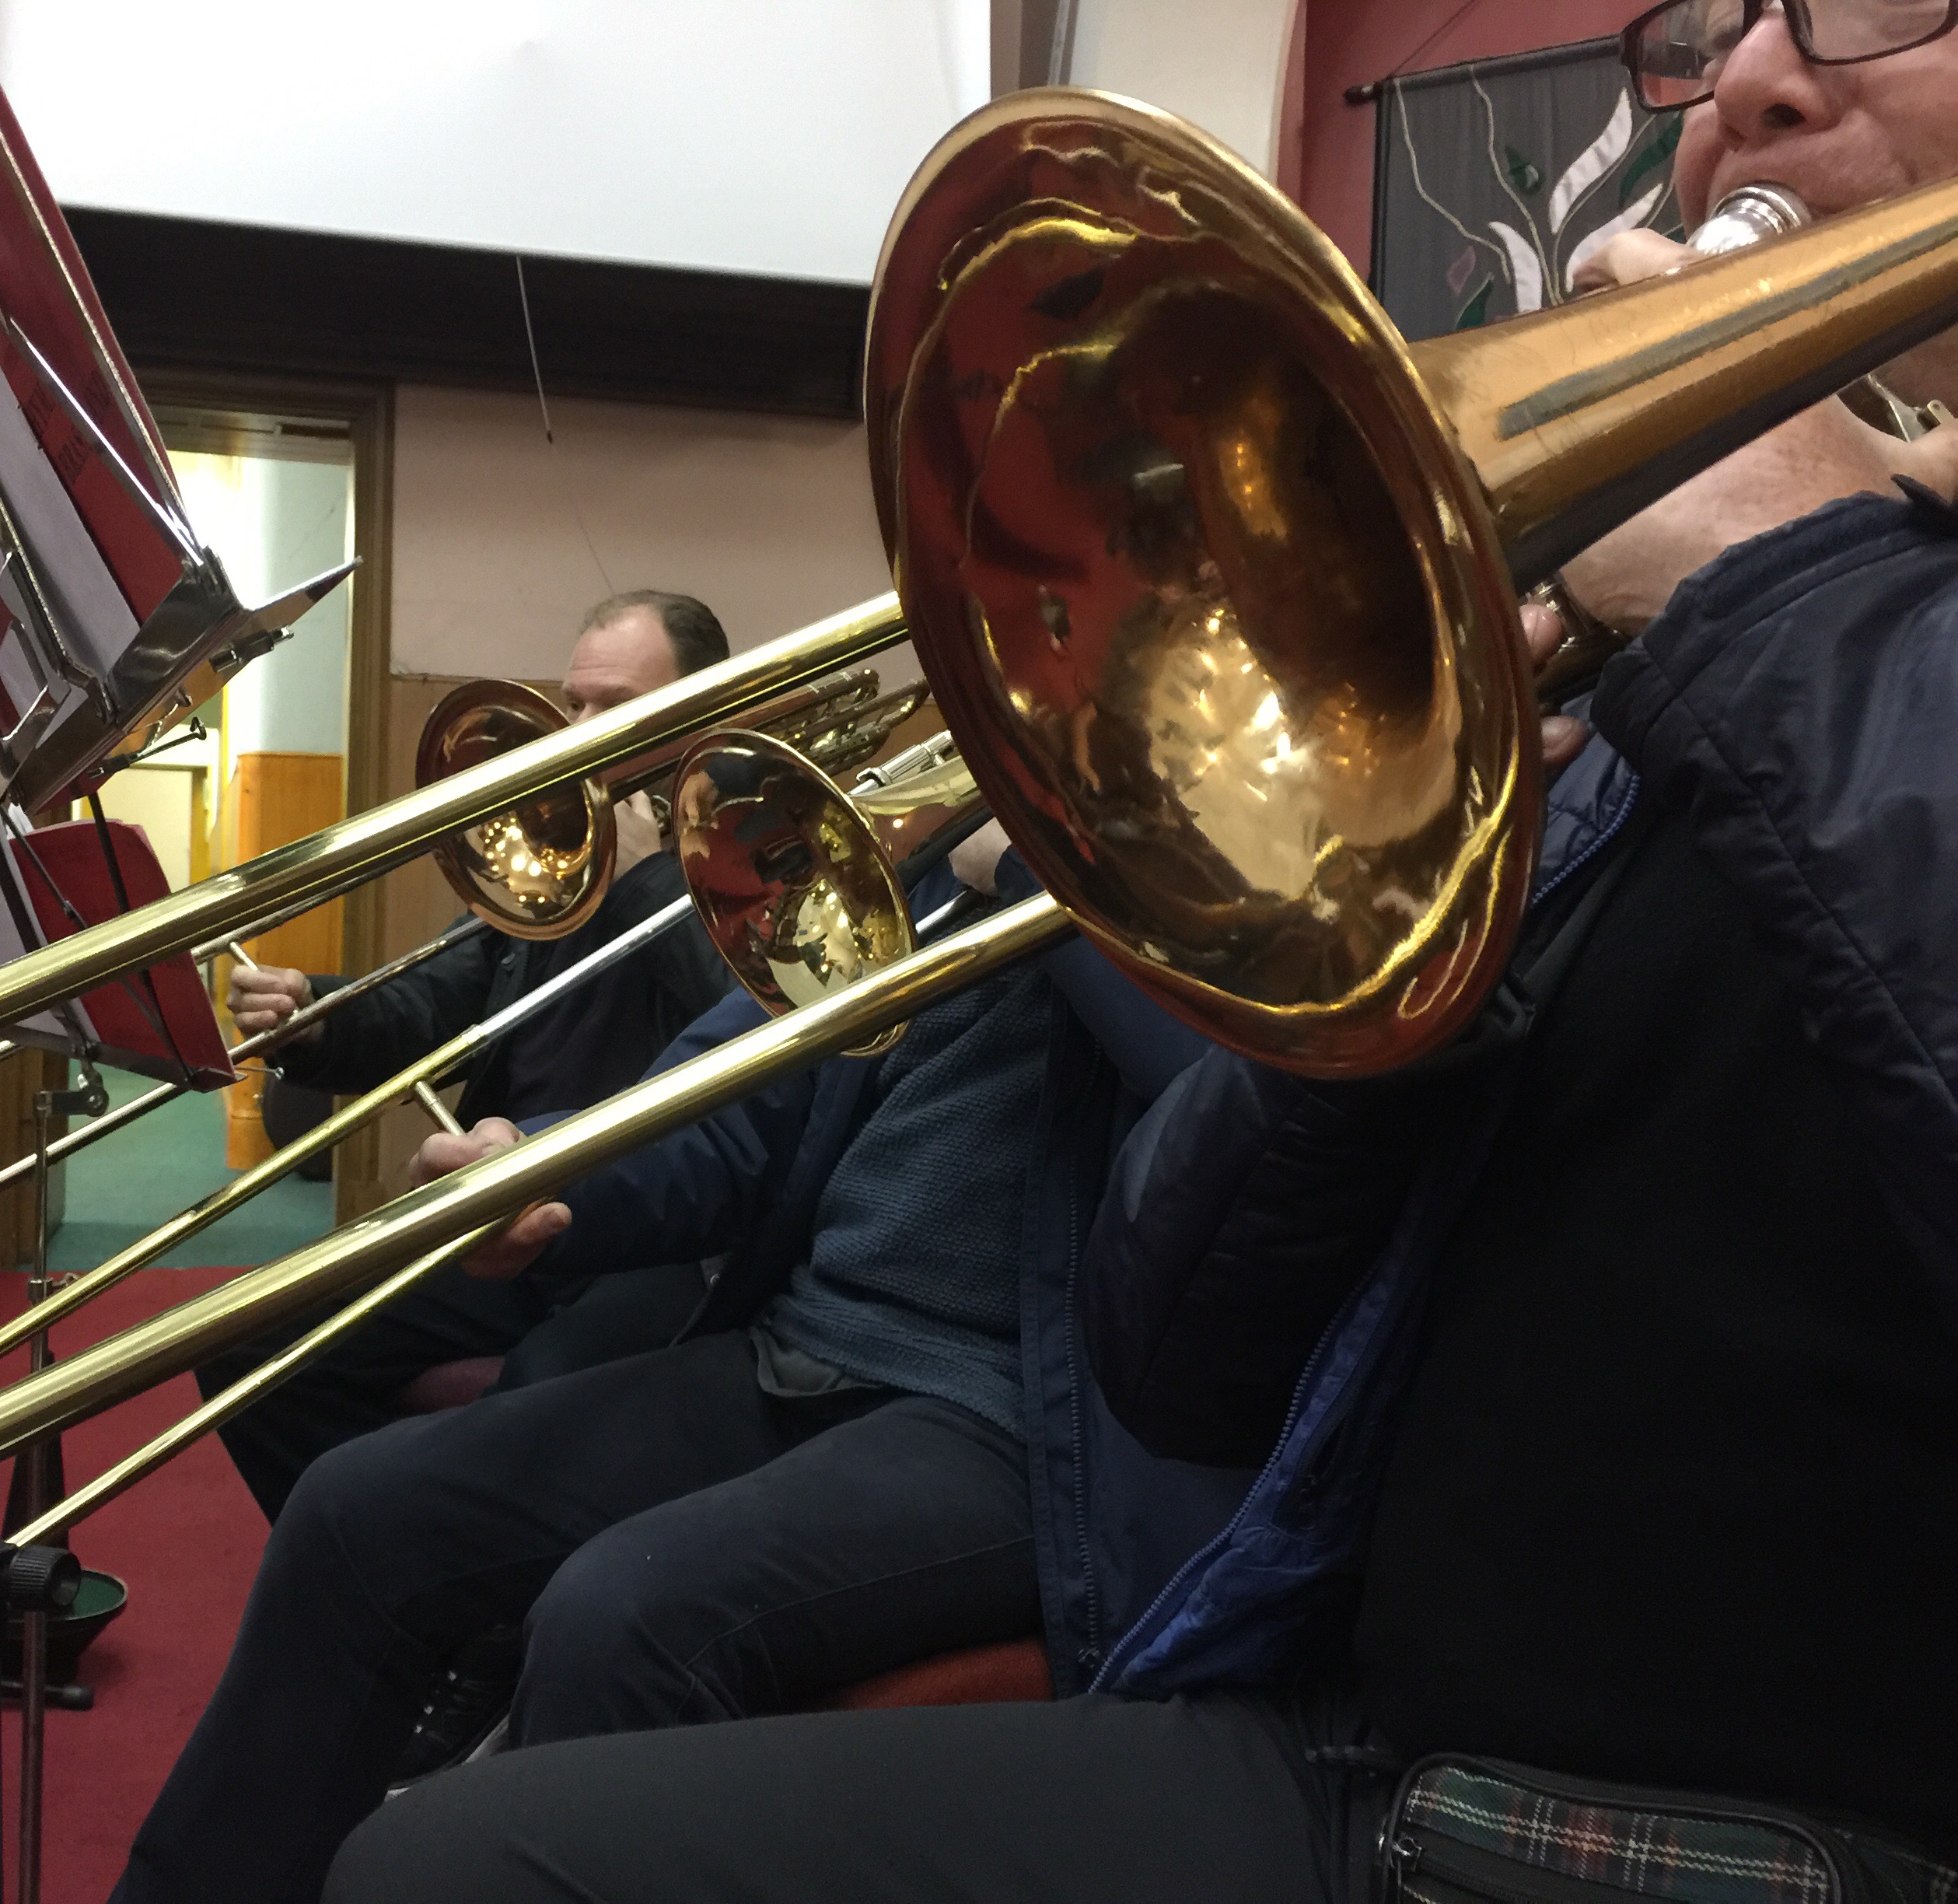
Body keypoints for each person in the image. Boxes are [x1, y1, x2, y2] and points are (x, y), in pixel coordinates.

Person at [322, 10, 1958, 1902]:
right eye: (1718, 18)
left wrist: (1775, 591)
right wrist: (1402, 916)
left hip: (1755, 1834)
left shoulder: (1789, 648)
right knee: (457, 1857)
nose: (1748, 78)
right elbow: (1181, 1355)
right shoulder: (1671, 711)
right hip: (1374, 1743)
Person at [107, 823, 1227, 1904]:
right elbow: (734, 1111)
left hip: (1027, 1421)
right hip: (808, 1353)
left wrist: (1045, 878)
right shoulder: (933, 869)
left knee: (620, 1618)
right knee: (353, 1512)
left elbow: (1233, 1106)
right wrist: (547, 1168)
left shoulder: (1221, 879)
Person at [194, 590, 738, 1524]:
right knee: (249, 1344)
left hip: (659, 1239)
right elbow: (432, 1004)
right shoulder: (552, 862)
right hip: (508, 1212)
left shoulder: (753, 856)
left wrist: (655, 878)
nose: (579, 733)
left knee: (525, 1415)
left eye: (617, 708)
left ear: (702, 719)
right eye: (573, 704)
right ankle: (376, 1570)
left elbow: (755, 1020)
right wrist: (315, 1016)